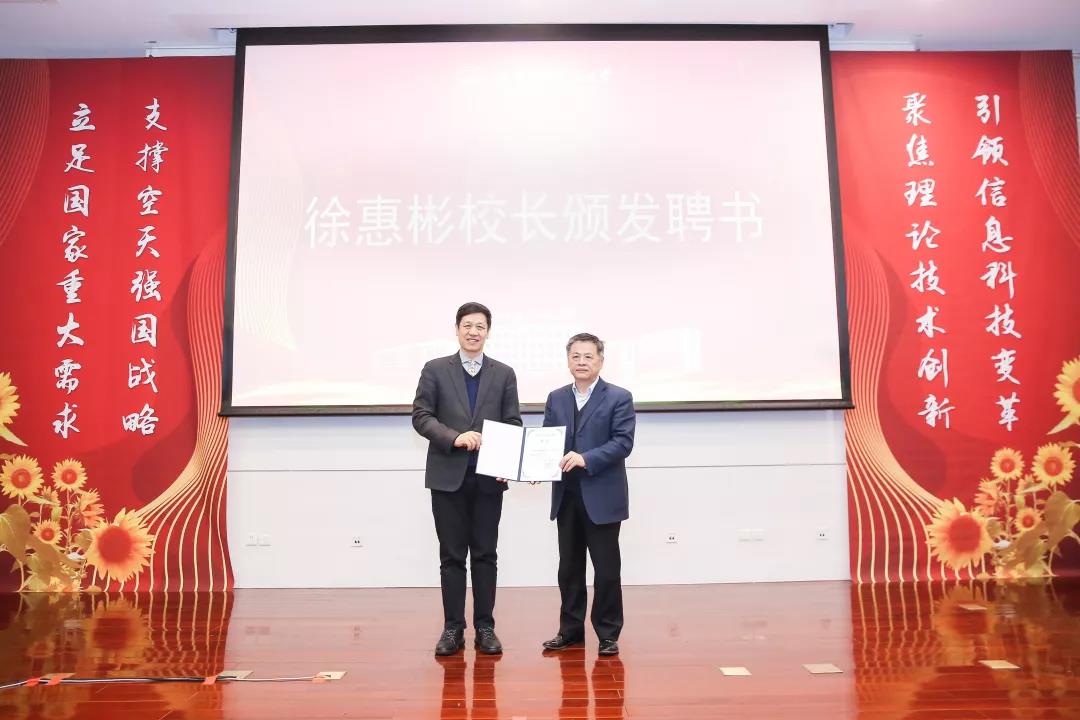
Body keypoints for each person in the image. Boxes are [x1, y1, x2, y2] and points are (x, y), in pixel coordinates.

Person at [412, 302, 522, 656]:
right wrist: (455, 437)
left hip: (489, 479)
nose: (474, 332)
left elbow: (513, 422)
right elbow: (421, 416)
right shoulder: (434, 369)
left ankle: (485, 627)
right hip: (447, 477)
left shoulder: (504, 373)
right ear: (457, 328)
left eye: (480, 326)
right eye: (468, 325)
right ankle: (453, 629)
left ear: (488, 331)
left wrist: (507, 455)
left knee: (486, 555)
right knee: (452, 557)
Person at [541, 333, 635, 656]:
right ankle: (570, 631)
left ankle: (608, 634)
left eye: (588, 356)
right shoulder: (556, 398)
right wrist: (537, 468)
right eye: (575, 356)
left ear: (600, 361)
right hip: (566, 496)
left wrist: (586, 458)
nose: (581, 362)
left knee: (606, 570)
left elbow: (623, 442)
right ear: (568, 360)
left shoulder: (619, 397)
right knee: (569, 568)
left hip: (602, 497)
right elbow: (547, 443)